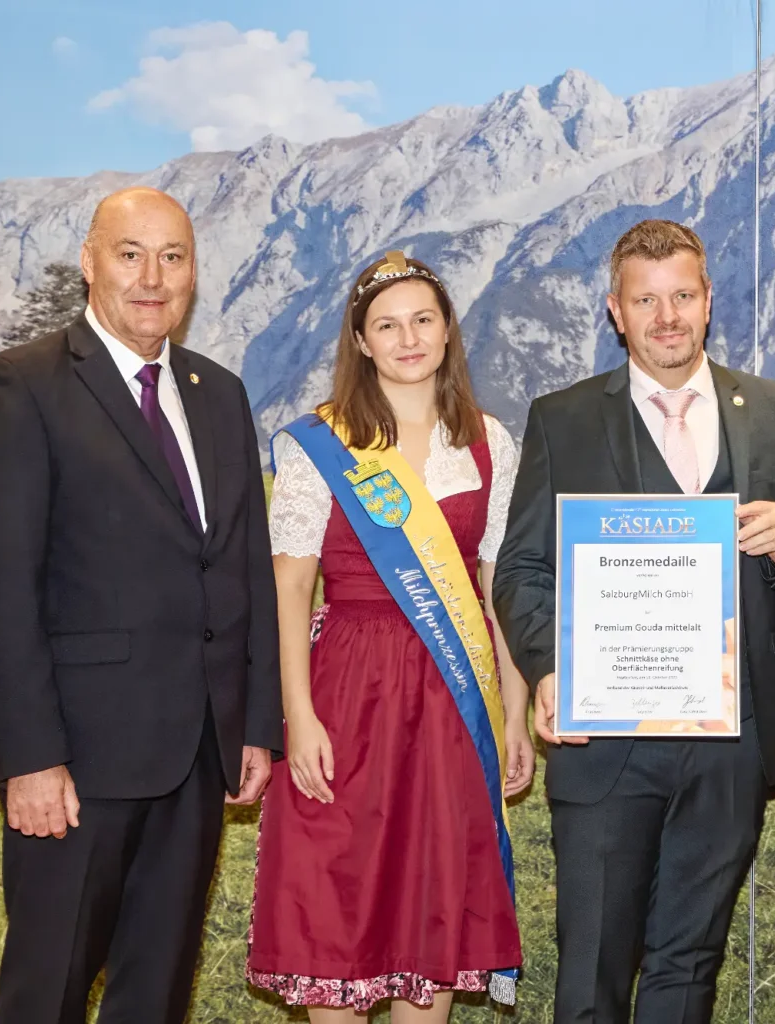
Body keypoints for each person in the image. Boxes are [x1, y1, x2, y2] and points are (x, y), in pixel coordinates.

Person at [0, 186, 281, 1023]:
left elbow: (243, 565)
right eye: (130, 254)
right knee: (48, 992)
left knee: (156, 995)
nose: (152, 278)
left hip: (197, 758)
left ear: (194, 273)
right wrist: (30, 757)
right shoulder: (18, 386)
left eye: (173, 257)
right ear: (90, 262)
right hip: (76, 764)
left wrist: (253, 724)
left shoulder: (219, 393)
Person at [493, 219, 775, 1023]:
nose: (667, 317)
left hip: (733, 741)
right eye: (646, 301)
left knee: (689, 971)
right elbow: (521, 569)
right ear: (616, 311)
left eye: (682, 296)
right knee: (591, 973)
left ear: (709, 299)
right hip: (606, 740)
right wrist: (549, 668)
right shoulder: (563, 417)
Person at [246, 251, 531, 1022]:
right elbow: (290, 588)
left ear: (447, 330)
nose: (408, 339)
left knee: (432, 905)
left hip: (452, 701)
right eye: (388, 325)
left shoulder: (489, 443)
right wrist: (298, 717)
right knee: (334, 899)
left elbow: (498, 588)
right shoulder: (320, 444)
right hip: (347, 692)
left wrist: (513, 712)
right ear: (361, 341)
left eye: (423, 320)